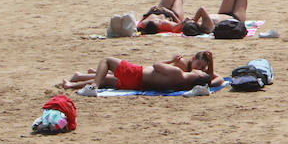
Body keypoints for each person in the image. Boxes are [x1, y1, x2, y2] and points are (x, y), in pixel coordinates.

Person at [62, 52, 222, 91]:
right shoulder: (186, 84)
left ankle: (92, 87)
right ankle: (73, 83)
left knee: (107, 61)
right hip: (140, 84)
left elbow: (156, 64)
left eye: (202, 69)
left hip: (138, 74)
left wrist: (172, 62)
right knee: (107, 80)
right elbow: (217, 79)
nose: (201, 70)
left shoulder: (179, 73)